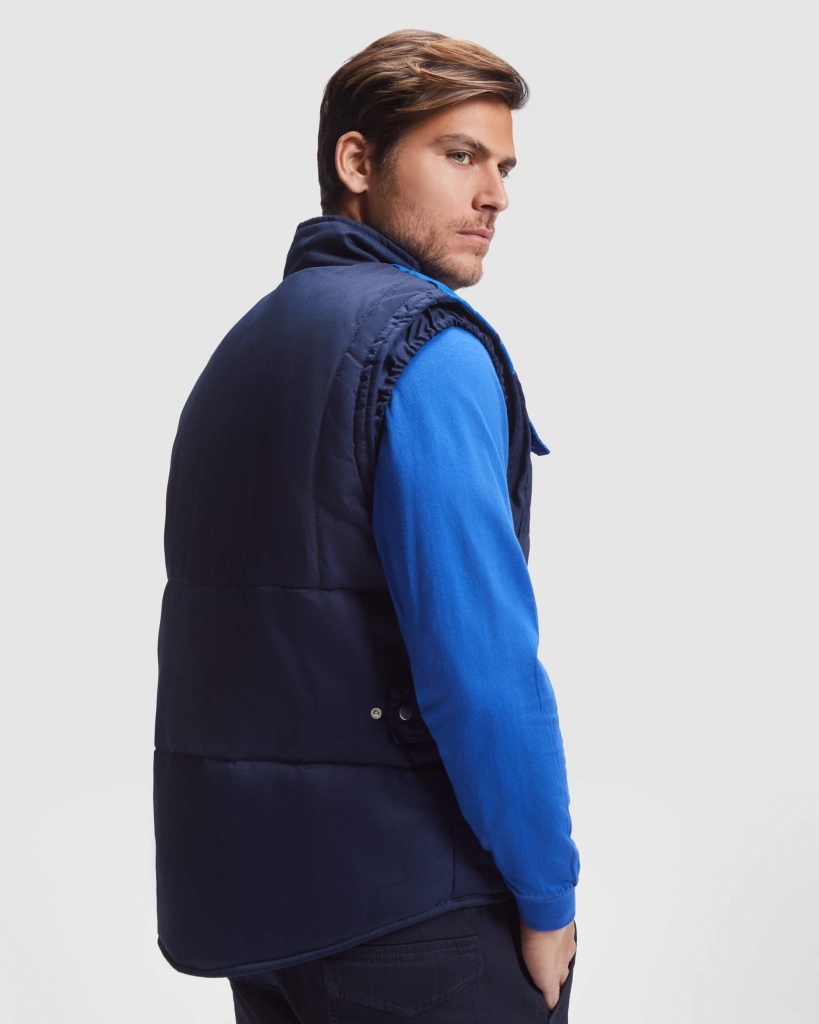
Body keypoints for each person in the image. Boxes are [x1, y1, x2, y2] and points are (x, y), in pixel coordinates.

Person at [154, 28, 580, 1023]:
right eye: (460, 155)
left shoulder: (244, 349)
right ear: (356, 161)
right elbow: (482, 668)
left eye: (504, 166)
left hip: (258, 912)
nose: (495, 196)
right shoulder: (424, 349)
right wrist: (547, 893)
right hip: (415, 914)